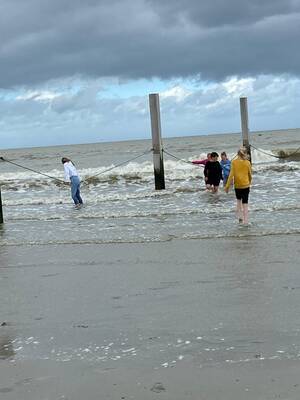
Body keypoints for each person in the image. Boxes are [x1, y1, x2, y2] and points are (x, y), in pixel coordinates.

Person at [225, 147, 252, 225]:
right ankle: (246, 222)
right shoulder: (247, 162)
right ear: (245, 154)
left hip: (238, 186)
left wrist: (227, 186)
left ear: (237, 154)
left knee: (238, 202)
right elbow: (250, 174)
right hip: (246, 185)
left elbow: (231, 175)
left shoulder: (234, 162)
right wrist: (249, 182)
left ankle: (240, 218)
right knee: (245, 204)